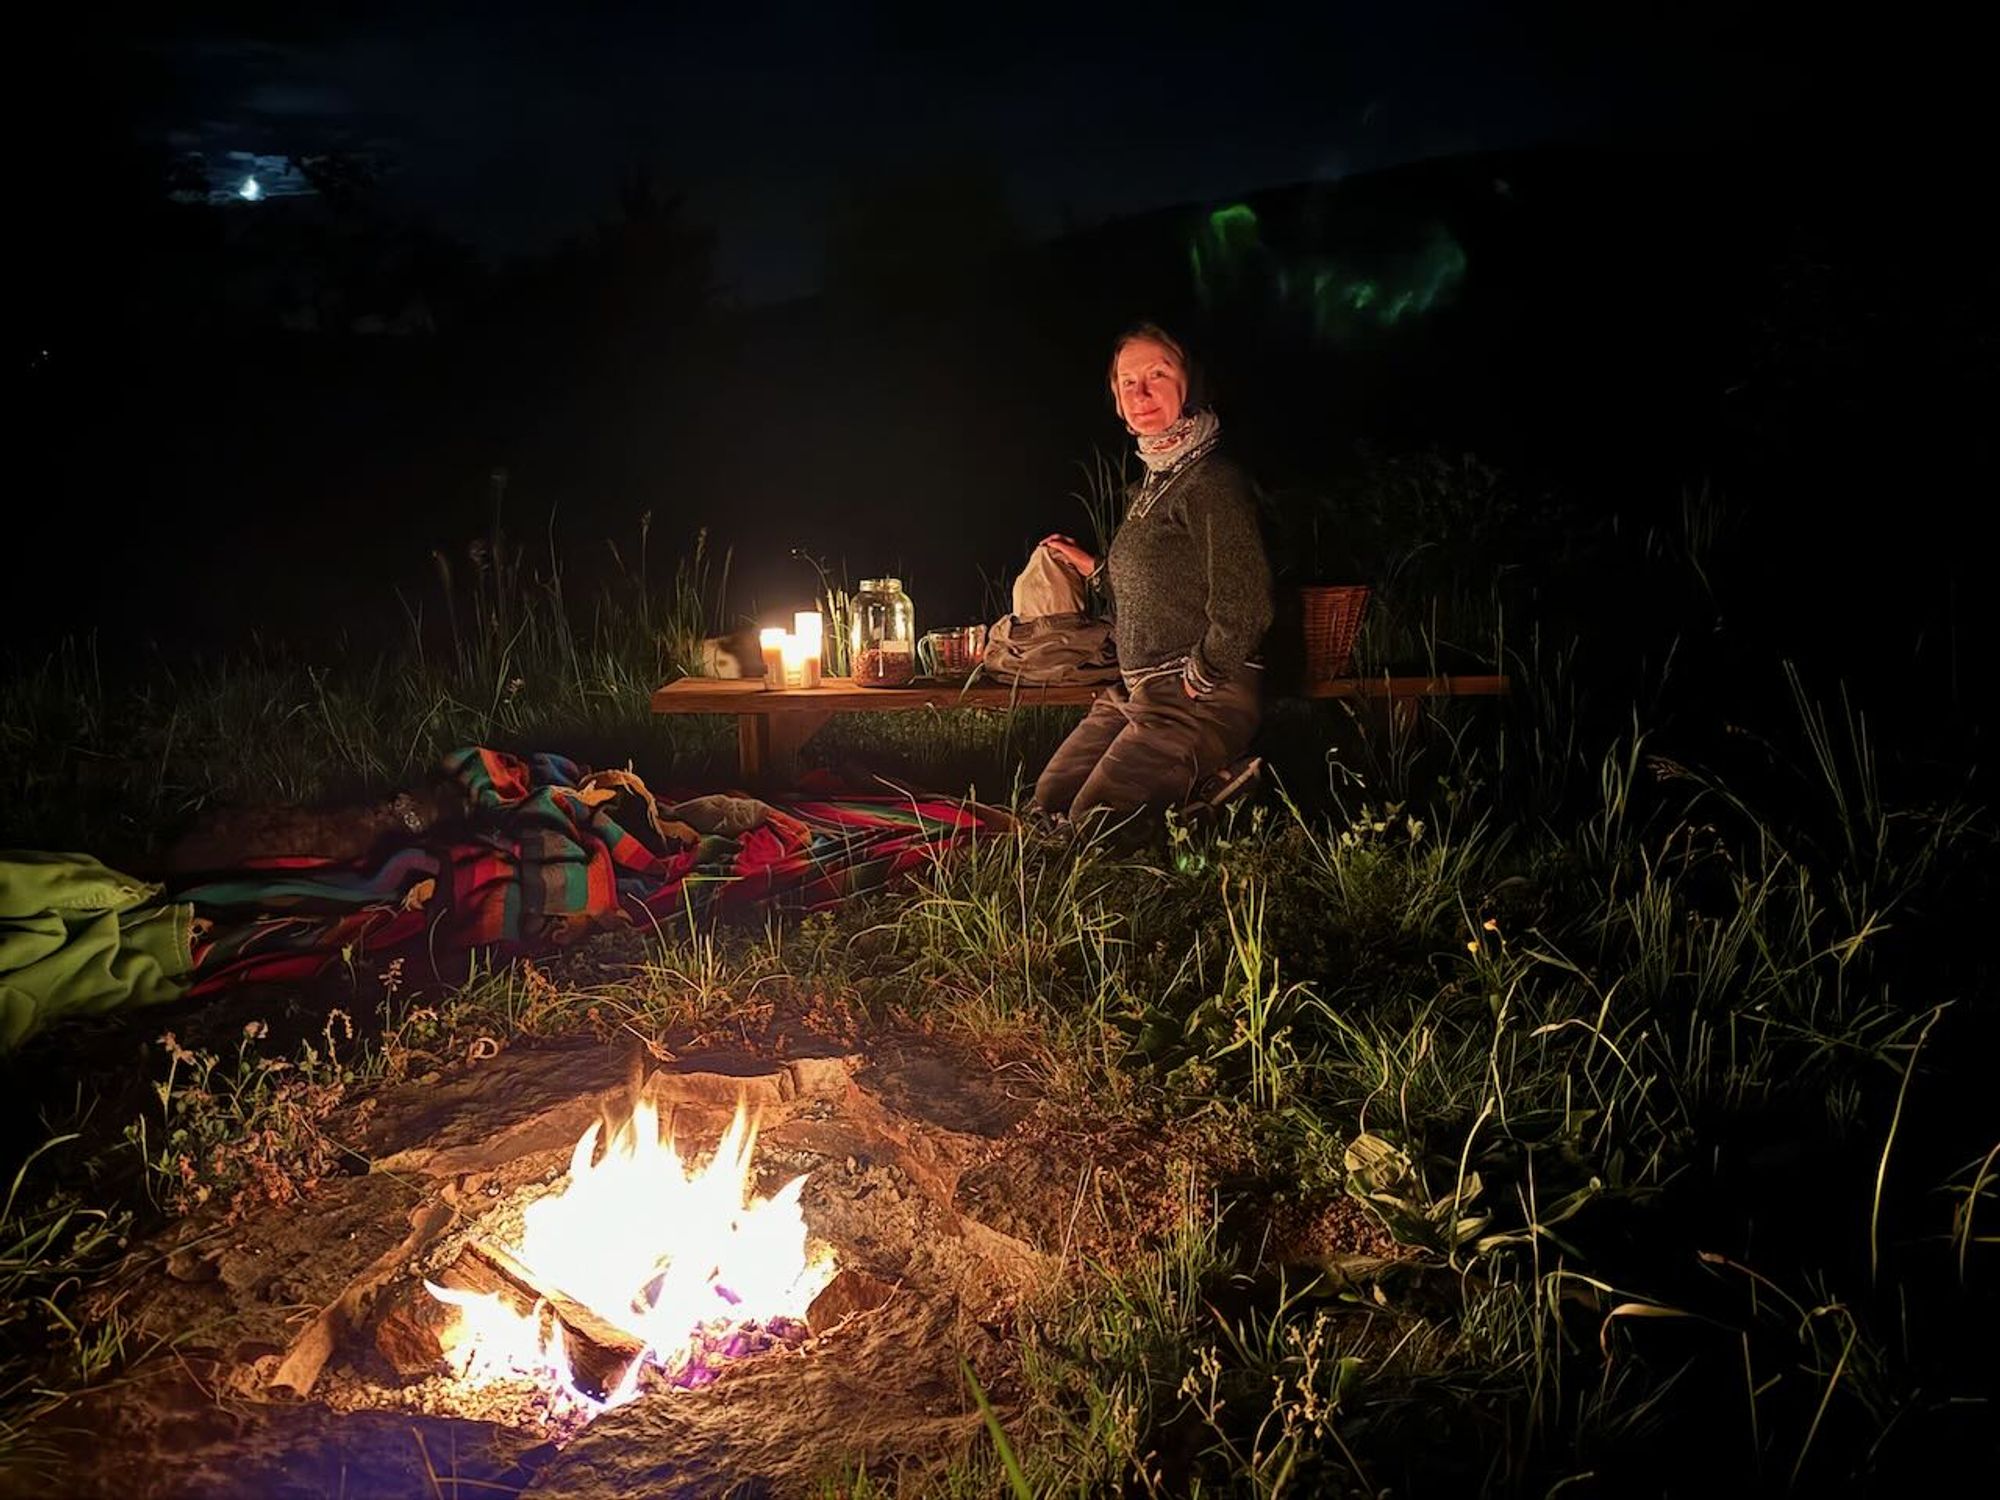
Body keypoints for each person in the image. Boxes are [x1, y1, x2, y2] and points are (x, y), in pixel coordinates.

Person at [1034, 323, 1272, 824]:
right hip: (1138, 691)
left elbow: (1246, 603)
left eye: (1157, 374)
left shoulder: (1212, 480)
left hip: (1204, 694)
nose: (1140, 393)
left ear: (1191, 385)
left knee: (1098, 823)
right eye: (1127, 382)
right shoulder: (1156, 481)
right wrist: (1095, 570)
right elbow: (1159, 586)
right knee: (1049, 802)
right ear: (1117, 401)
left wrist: (1201, 676)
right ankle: (1197, 788)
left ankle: (1216, 799)